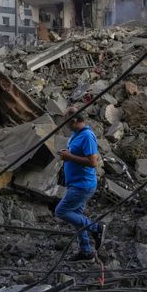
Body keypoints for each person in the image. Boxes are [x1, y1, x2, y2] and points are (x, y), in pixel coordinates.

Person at [55, 107, 106, 262]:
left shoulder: (87, 136)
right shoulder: (76, 135)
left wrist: (69, 156)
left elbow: (93, 162)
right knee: (76, 217)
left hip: (82, 185)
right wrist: (68, 153)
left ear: (75, 121)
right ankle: (86, 252)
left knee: (61, 211)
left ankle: (96, 228)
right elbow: (76, 154)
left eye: (67, 122)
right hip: (76, 183)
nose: (65, 125)